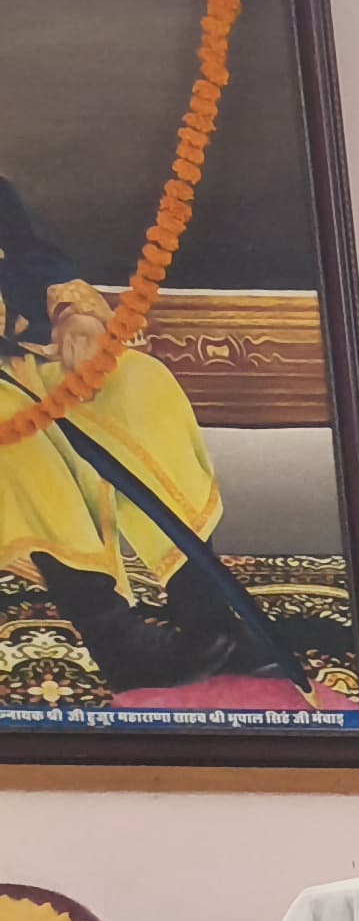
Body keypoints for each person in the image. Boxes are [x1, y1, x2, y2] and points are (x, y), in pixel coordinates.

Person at [0, 178, 302, 692]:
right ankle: (117, 641)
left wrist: (73, 315)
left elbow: (33, 257)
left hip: (18, 360)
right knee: (19, 442)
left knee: (138, 384)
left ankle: (207, 610)